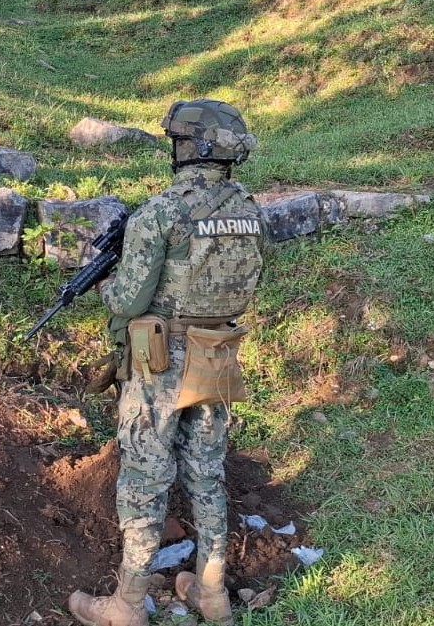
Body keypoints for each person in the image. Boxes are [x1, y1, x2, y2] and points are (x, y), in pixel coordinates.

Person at [68, 99, 265, 626]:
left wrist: (107, 286)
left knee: (145, 476)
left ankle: (127, 605)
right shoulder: (251, 211)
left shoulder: (161, 211)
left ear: (188, 148)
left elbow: (128, 301)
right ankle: (212, 594)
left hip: (160, 361)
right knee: (207, 472)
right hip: (217, 353)